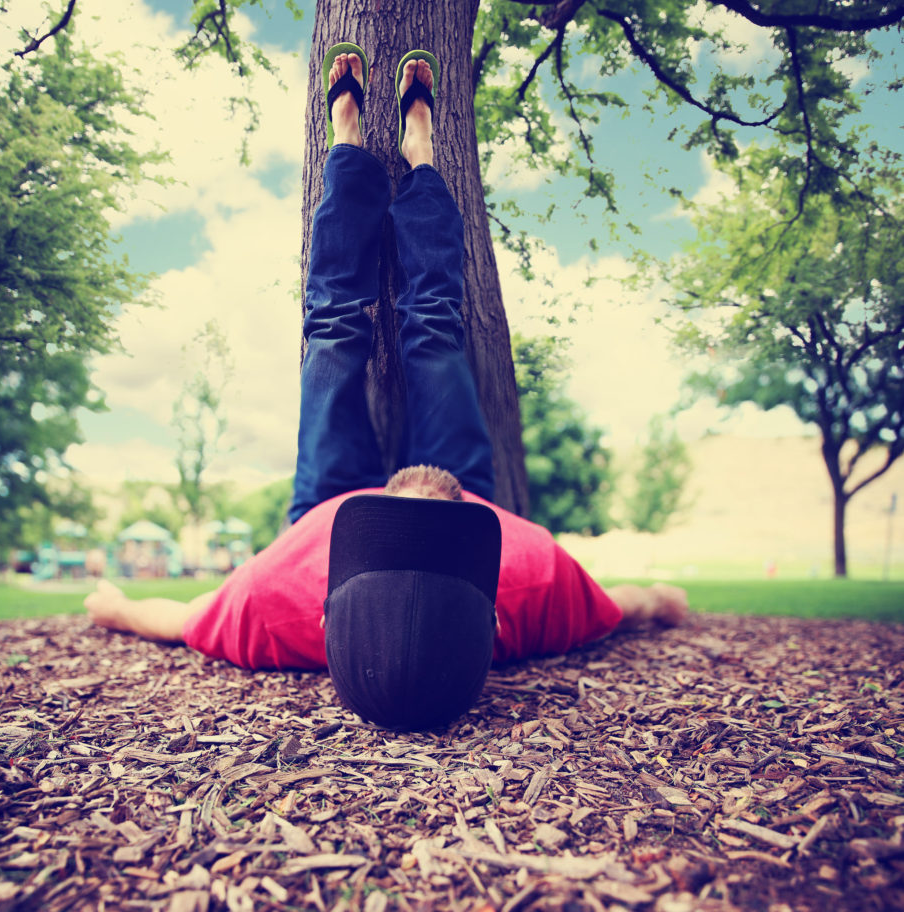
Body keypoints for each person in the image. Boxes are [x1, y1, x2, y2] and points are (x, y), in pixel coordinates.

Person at [85, 44, 687, 729]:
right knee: (433, 328)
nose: (411, 513)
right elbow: (627, 605)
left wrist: (117, 610)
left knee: (336, 331)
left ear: (326, 611)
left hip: (326, 513)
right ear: (492, 619)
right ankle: (421, 154)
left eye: (392, 532)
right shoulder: (531, 577)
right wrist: (661, 602)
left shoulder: (275, 601)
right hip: (472, 507)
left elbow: (173, 620)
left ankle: (347, 143)